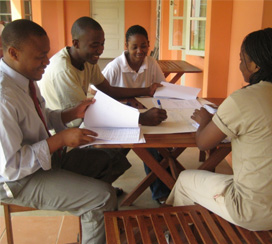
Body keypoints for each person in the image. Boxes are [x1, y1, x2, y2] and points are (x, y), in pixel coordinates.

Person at [166, 28, 272, 231]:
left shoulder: (244, 99)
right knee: (223, 181)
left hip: (252, 212)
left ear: (254, 65)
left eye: (241, 59)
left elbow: (203, 142)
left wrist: (205, 121)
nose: (239, 65)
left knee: (185, 179)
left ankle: (181, 235)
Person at [0, 19, 120, 244]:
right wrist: (61, 139)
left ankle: (91, 227)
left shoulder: (25, 77)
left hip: (42, 161)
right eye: (40, 56)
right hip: (17, 180)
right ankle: (94, 217)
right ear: (13, 53)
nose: (47, 62)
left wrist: (72, 113)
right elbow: (12, 165)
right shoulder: (3, 96)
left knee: (106, 160)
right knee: (102, 197)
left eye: (47, 54)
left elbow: (41, 115)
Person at [39, 16, 166, 128]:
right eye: (95, 45)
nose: (100, 50)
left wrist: (147, 90)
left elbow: (109, 90)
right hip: (63, 132)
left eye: (102, 44)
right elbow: (84, 114)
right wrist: (141, 118)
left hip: (80, 123)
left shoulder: (88, 60)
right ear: (76, 43)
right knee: (126, 136)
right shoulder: (64, 70)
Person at [102, 25, 171, 204]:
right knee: (115, 155)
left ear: (149, 45)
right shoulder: (115, 67)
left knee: (161, 147)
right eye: (134, 47)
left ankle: (165, 188)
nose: (140, 51)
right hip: (120, 120)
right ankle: (101, 188)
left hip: (146, 118)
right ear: (126, 46)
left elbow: (162, 87)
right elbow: (98, 95)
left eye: (143, 46)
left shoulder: (151, 63)